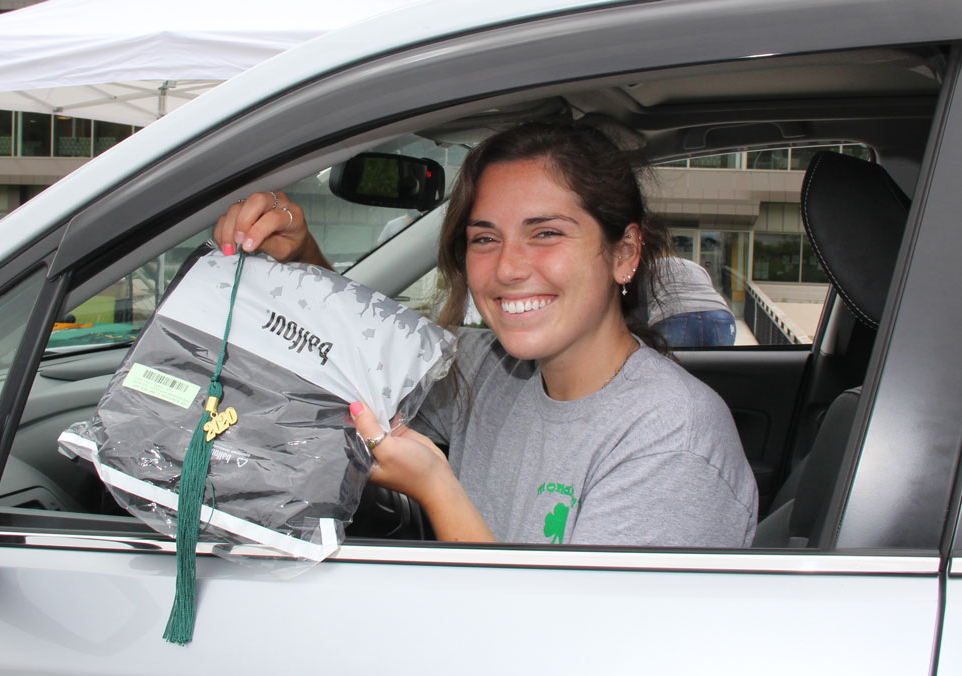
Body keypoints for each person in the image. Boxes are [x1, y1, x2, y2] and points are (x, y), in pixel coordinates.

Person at [214, 122, 757, 548]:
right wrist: (299, 254)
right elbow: (353, 355)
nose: (507, 269)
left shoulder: (672, 441)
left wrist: (436, 488)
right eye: (484, 239)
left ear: (625, 253)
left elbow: (569, 666)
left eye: (545, 233)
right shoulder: (490, 370)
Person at [642, 256, 737, 347]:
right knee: (719, 362)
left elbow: (638, 312)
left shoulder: (646, 269)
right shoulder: (695, 266)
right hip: (720, 315)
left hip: (674, 315)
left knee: (671, 363)